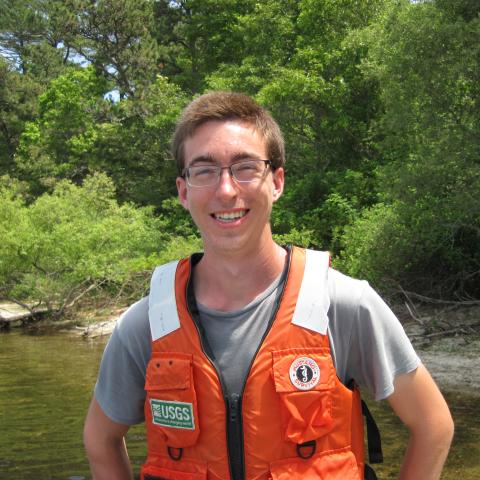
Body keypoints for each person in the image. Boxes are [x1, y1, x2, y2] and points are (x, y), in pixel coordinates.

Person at [84, 91, 454, 480]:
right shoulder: (148, 323)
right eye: (204, 170)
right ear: (183, 191)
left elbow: (433, 426)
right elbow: (100, 440)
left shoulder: (342, 304)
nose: (226, 190)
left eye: (245, 167)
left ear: (276, 182)